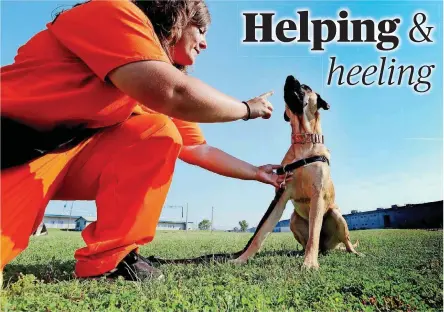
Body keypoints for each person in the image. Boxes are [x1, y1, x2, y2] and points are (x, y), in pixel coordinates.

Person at [1, 0, 289, 282]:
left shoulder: (149, 81)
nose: (205, 44)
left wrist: (256, 172)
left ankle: (110, 261)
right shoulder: (115, 12)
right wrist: (247, 109)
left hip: (57, 154)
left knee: (157, 132)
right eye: (200, 30)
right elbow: (175, 92)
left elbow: (198, 148)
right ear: (176, 14)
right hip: (11, 143)